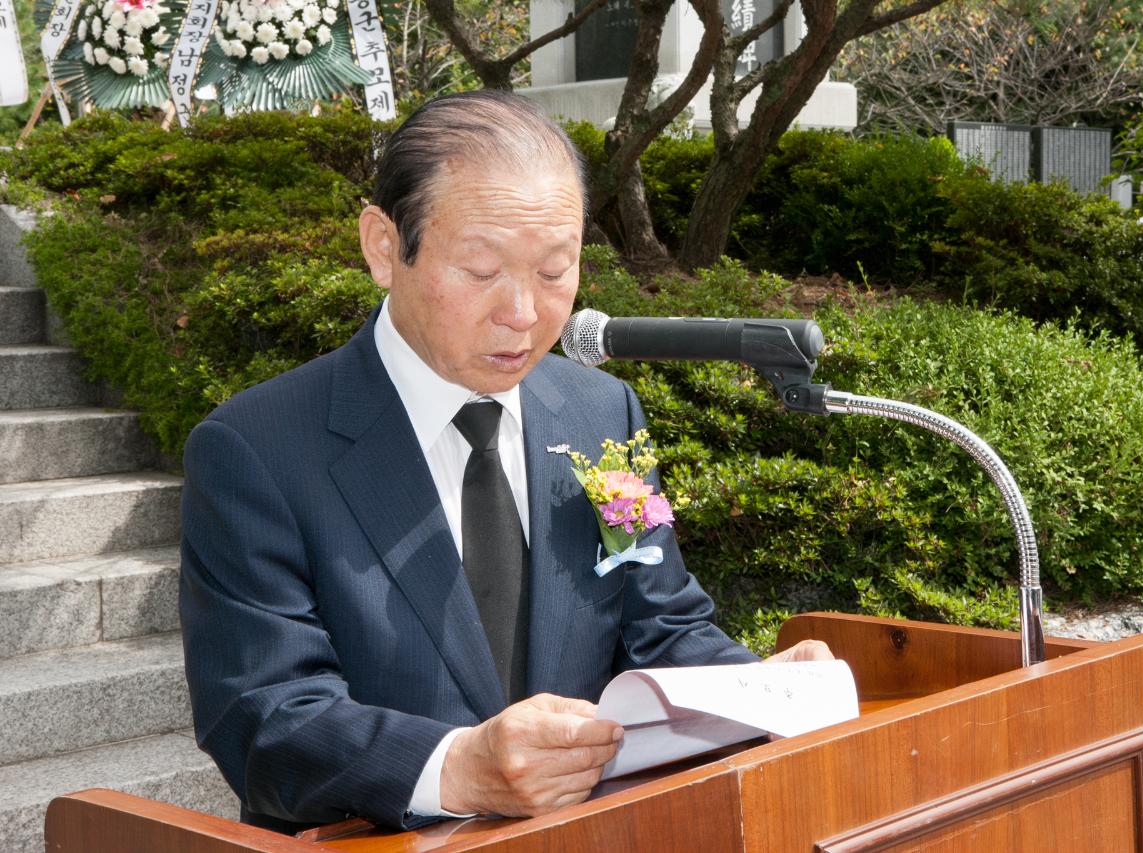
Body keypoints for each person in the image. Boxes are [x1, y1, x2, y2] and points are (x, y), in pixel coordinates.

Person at [179, 90, 831, 835]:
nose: (523, 312)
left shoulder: (600, 414)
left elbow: (663, 626)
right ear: (383, 246)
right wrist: (456, 765)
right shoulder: (257, 449)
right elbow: (263, 717)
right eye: (482, 269)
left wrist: (758, 688)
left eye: (556, 272)